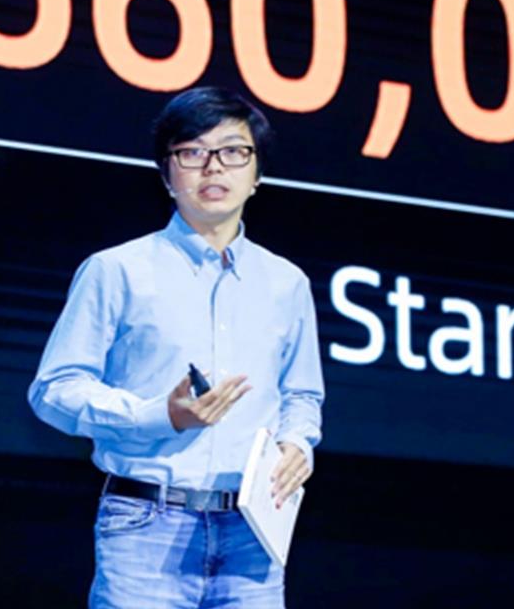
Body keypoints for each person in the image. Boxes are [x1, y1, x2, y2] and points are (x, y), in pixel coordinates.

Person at [27, 86, 324, 608]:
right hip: (146, 523)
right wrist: (160, 415)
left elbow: (302, 395)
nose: (214, 167)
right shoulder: (116, 270)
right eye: (192, 153)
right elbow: (54, 390)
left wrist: (297, 445)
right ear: (167, 175)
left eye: (234, 151)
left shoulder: (288, 283)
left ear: (257, 174)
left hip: (253, 532)